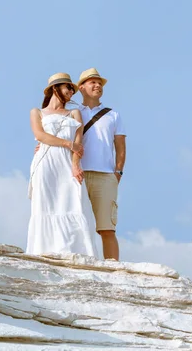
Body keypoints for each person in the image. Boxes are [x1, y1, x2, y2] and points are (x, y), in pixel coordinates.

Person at [26, 72, 99, 257]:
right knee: (46, 204)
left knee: (72, 201)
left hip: (66, 162)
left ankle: (74, 251)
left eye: (73, 90)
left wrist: (76, 165)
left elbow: (78, 142)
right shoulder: (37, 112)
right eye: (68, 88)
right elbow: (40, 135)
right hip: (46, 161)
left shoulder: (74, 113)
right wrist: (68, 144)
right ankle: (43, 251)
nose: (71, 93)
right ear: (55, 88)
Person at [75, 67, 126, 261]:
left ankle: (113, 269)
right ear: (81, 88)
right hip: (77, 174)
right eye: (92, 82)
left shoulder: (113, 115)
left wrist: (118, 172)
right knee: (77, 225)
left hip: (105, 176)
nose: (97, 85)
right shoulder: (73, 112)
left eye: (99, 83)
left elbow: (120, 145)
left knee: (107, 227)